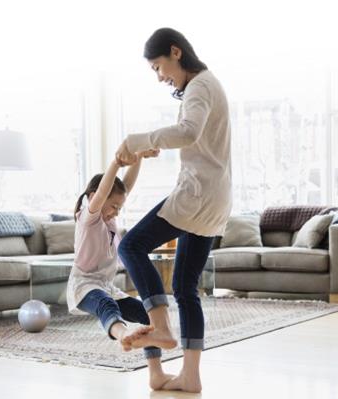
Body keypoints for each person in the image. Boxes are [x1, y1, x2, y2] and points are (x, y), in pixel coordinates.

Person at [116, 27, 232, 393]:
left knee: (130, 246)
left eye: (157, 66)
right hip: (215, 199)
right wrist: (152, 147)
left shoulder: (199, 86)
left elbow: (188, 132)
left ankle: (159, 325)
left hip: (197, 197)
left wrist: (138, 141)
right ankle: (190, 376)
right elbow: (193, 135)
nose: (159, 75)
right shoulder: (209, 84)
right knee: (185, 287)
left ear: (175, 52)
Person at [66, 149, 176, 390]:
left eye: (119, 207)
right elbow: (107, 189)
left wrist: (138, 160)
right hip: (84, 286)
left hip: (106, 286)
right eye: (114, 206)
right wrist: (115, 162)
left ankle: (156, 374)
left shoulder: (109, 218)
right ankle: (123, 334)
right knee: (107, 306)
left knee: (148, 316)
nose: (117, 211)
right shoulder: (89, 217)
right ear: (96, 197)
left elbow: (125, 186)